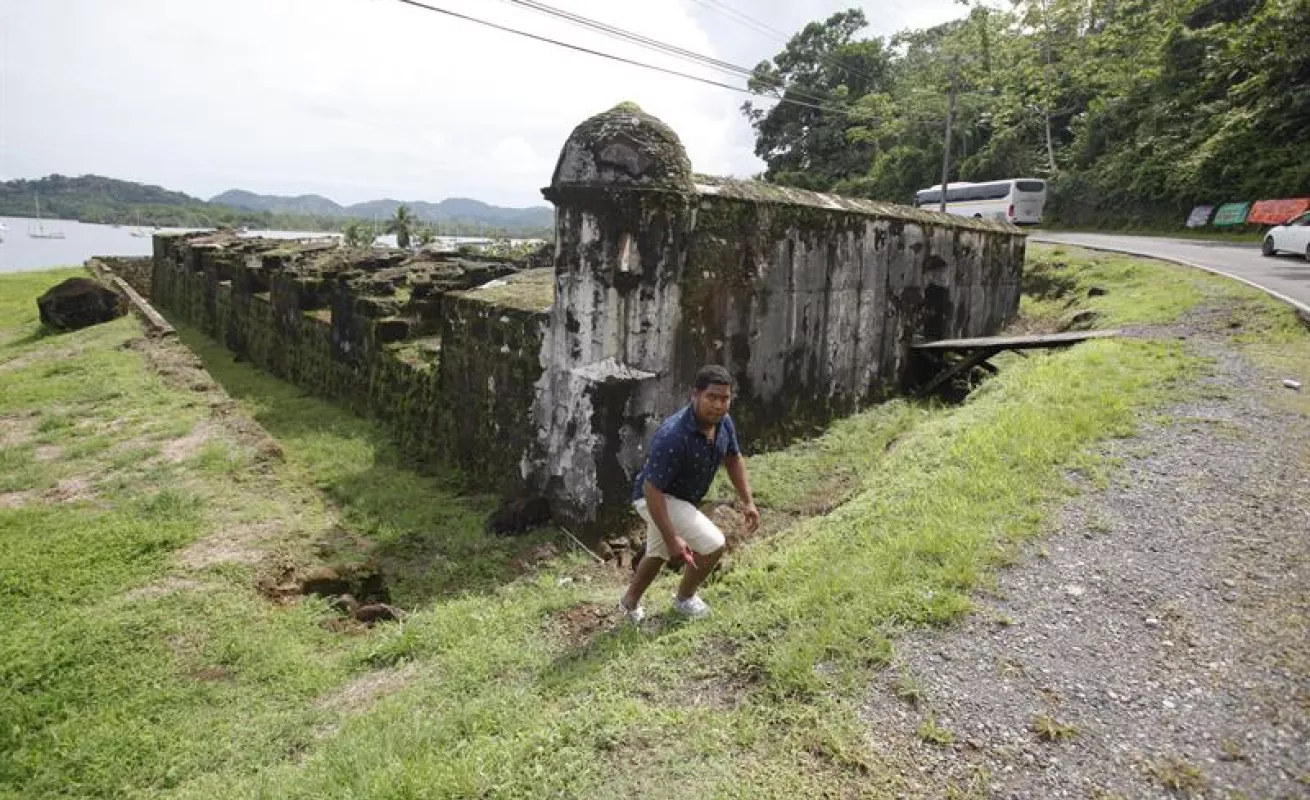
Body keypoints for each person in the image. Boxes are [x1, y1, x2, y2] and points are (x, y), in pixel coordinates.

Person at [619, 365, 760, 622]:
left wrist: (748, 501)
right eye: (712, 398)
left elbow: (733, 459)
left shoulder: (724, 423)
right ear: (695, 395)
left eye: (724, 399)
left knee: (657, 553)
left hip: (680, 499)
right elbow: (653, 490)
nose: (718, 405)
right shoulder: (673, 435)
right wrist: (673, 538)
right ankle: (684, 600)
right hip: (655, 498)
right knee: (713, 545)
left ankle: (628, 604)